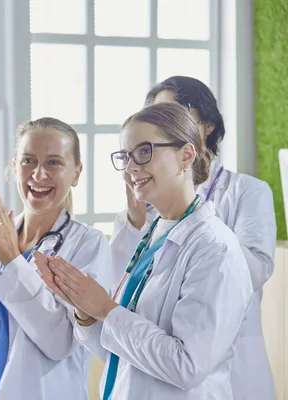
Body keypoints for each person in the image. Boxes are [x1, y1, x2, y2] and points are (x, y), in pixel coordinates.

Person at [37, 102, 253, 399]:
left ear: (186, 155)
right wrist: (85, 311)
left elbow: (187, 366)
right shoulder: (154, 235)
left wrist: (106, 309)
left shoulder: (215, 249)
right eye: (125, 157)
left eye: (143, 152)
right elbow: (121, 352)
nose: (130, 168)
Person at [109, 76, 276, 399]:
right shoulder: (146, 197)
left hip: (230, 354)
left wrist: (189, 214)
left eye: (173, 111)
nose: (163, 120)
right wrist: (138, 221)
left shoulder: (246, 192)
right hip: (151, 363)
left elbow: (254, 269)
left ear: (207, 125)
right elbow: (120, 280)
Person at [0, 117, 114, 399]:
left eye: (54, 162)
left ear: (77, 173)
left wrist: (12, 262)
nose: (39, 174)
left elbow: (60, 343)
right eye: (28, 161)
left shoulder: (88, 245)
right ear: (14, 167)